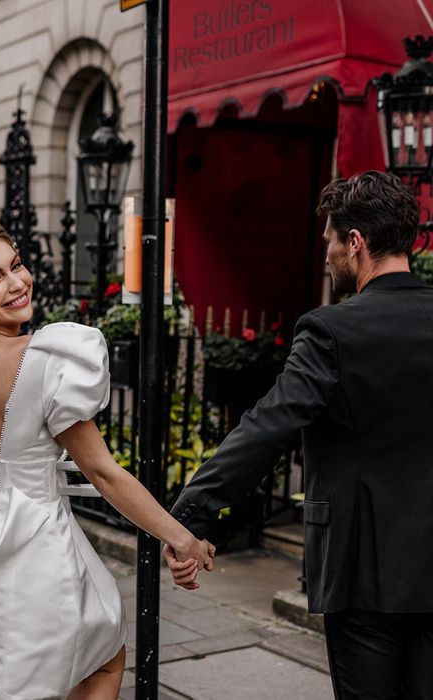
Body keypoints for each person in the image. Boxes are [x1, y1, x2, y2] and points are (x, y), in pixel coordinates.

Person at [0, 219, 215, 700]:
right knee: (104, 655)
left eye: (16, 264)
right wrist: (182, 539)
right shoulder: (45, 360)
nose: (17, 282)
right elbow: (103, 473)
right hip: (37, 555)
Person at [165, 170, 433, 699]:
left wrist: (188, 516)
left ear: (356, 243)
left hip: (364, 568)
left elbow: (269, 425)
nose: (328, 254)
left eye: (331, 240)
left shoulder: (332, 329)